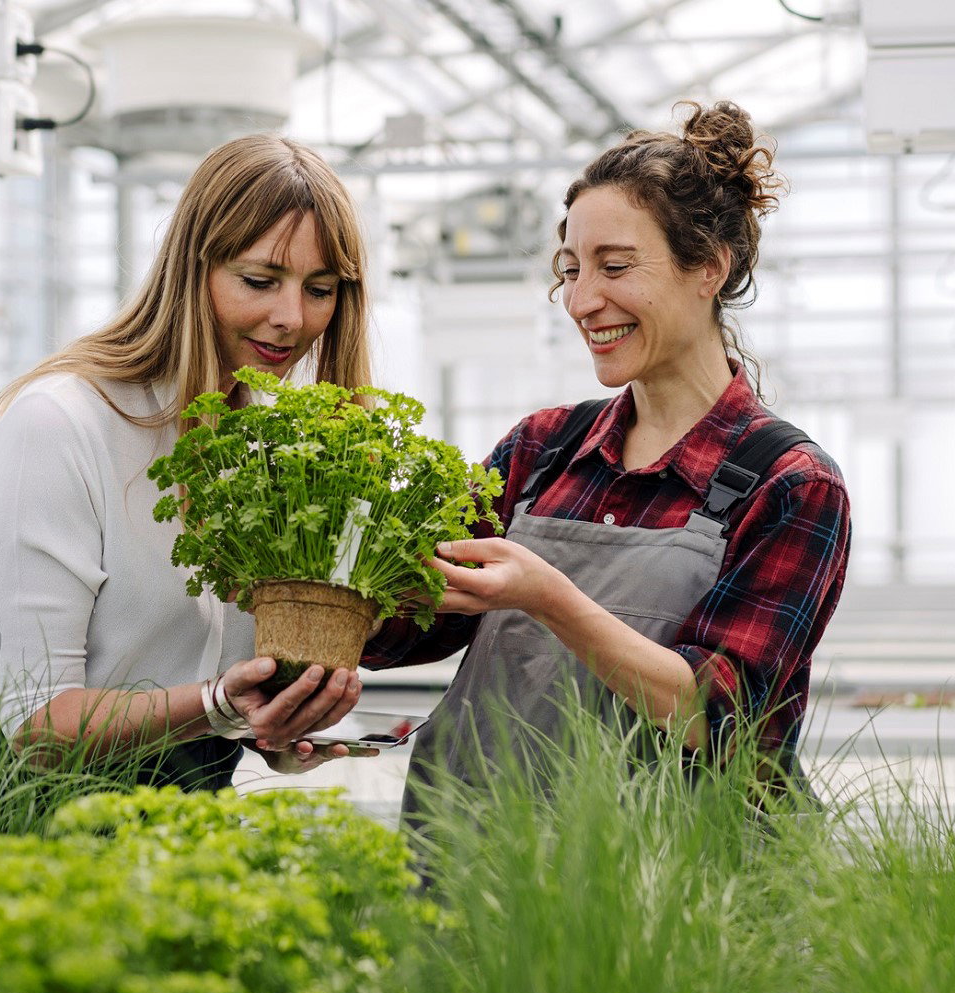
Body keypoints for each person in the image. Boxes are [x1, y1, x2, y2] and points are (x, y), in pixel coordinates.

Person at [362, 101, 852, 804]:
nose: (581, 301)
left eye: (614, 266)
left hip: (660, 868)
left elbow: (723, 719)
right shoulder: (540, 450)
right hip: (471, 850)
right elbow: (404, 631)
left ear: (708, 268)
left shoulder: (788, 484)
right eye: (570, 270)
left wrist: (548, 597)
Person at [0, 134, 374, 794]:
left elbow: (230, 691)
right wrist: (218, 705)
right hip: (5, 808)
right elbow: (38, 724)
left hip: (182, 805)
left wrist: (282, 730)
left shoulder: (284, 451)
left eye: (320, 289)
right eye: (259, 281)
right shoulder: (61, 424)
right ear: (192, 269)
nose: (291, 318)